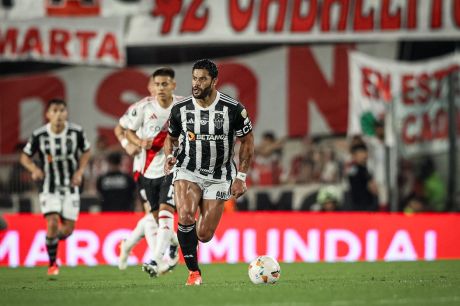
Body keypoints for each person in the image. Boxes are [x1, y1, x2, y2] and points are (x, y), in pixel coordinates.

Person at [164, 59, 254, 286]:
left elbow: (247, 141)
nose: (196, 83)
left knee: (203, 234)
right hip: (188, 170)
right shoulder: (180, 109)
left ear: (214, 81)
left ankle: (181, 241)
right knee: (185, 216)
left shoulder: (233, 109)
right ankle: (194, 272)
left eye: (202, 79)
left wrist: (241, 177)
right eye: (194, 78)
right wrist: (169, 156)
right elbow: (171, 138)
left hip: (219, 175)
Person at [120, 67, 183, 276]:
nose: (160, 88)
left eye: (165, 84)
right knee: (155, 219)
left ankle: (155, 260)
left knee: (166, 215)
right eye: (157, 84)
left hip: (172, 170)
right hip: (146, 172)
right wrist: (137, 142)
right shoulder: (143, 107)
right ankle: (173, 243)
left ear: (173, 85)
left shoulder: (184, 107)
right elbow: (126, 130)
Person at [20, 98, 91, 276]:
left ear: (66, 113)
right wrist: (34, 169)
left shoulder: (76, 132)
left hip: (70, 187)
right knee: (51, 222)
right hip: (49, 186)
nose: (58, 114)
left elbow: (87, 151)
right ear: (48, 114)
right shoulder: (39, 135)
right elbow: (24, 157)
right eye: (55, 111)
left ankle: (50, 241)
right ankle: (52, 264)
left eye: (62, 111)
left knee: (67, 231)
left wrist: (80, 172)